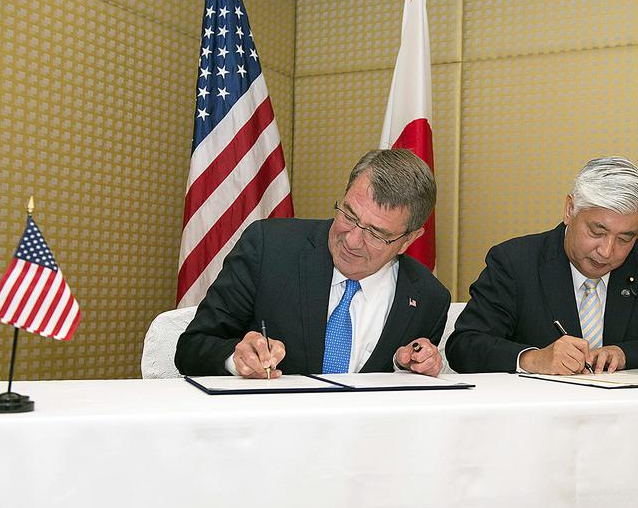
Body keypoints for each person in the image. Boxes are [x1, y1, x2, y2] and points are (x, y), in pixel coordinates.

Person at [175, 149, 451, 378]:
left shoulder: (429, 299)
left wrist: (408, 366)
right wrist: (237, 359)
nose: (353, 240)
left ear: (408, 240)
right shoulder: (268, 248)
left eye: (377, 234)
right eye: (349, 215)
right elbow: (192, 348)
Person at [446, 157, 638, 374]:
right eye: (597, 231)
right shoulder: (514, 262)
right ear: (570, 210)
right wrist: (532, 359)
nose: (607, 251)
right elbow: (464, 346)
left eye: (625, 238)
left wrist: (624, 353)